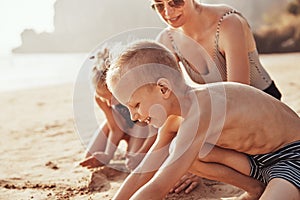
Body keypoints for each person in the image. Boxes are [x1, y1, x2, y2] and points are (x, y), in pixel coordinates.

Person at [106, 40, 300, 200]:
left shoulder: (201, 110)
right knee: (176, 148)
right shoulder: (174, 120)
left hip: (292, 157)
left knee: (182, 150)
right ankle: (255, 188)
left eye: (136, 105)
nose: (133, 117)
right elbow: (144, 170)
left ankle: (274, 187)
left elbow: (158, 186)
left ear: (163, 89)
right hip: (255, 163)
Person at [150, 0, 282, 100]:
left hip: (262, 102)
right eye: (159, 5)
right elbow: (171, 97)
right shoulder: (167, 40)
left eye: (175, 2)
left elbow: (239, 94)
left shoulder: (228, 23)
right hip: (221, 107)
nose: (167, 12)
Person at [79, 46, 157, 171]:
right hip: (120, 123)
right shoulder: (101, 99)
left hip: (142, 124)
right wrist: (107, 155)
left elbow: (153, 128)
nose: (110, 104)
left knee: (134, 163)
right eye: (104, 98)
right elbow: (115, 128)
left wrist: (141, 152)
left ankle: (133, 147)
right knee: (90, 157)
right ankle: (126, 145)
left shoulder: (134, 93)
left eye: (112, 97)